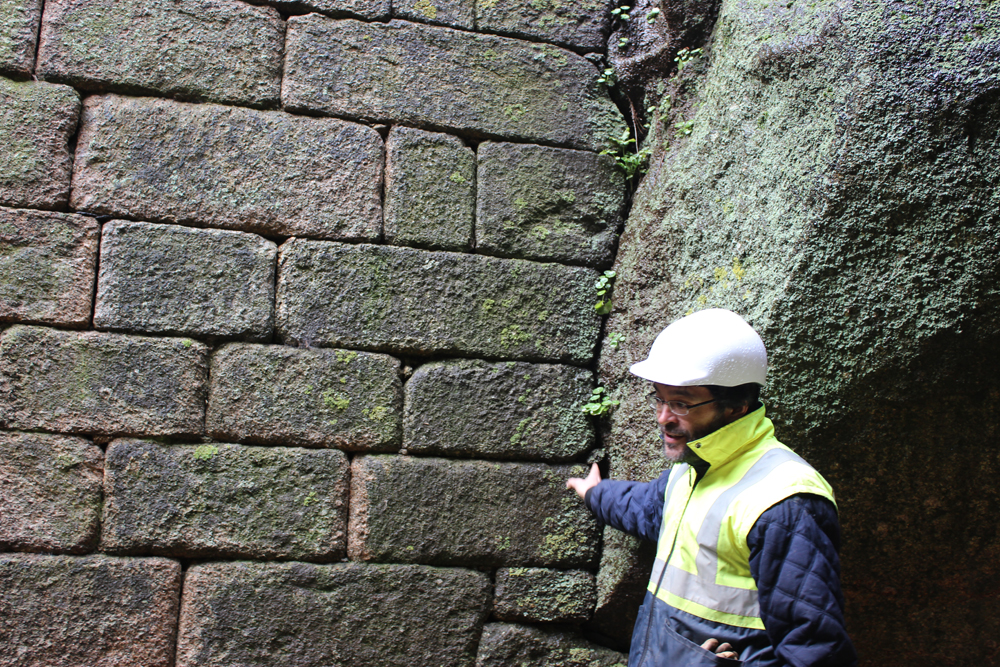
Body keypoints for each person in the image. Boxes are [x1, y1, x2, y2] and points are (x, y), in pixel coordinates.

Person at [567, 308, 857, 667]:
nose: (663, 418)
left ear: (737, 406)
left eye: (681, 404)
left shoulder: (784, 503)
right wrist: (596, 493)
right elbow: (649, 509)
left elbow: (817, 653)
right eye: (659, 399)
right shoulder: (693, 471)